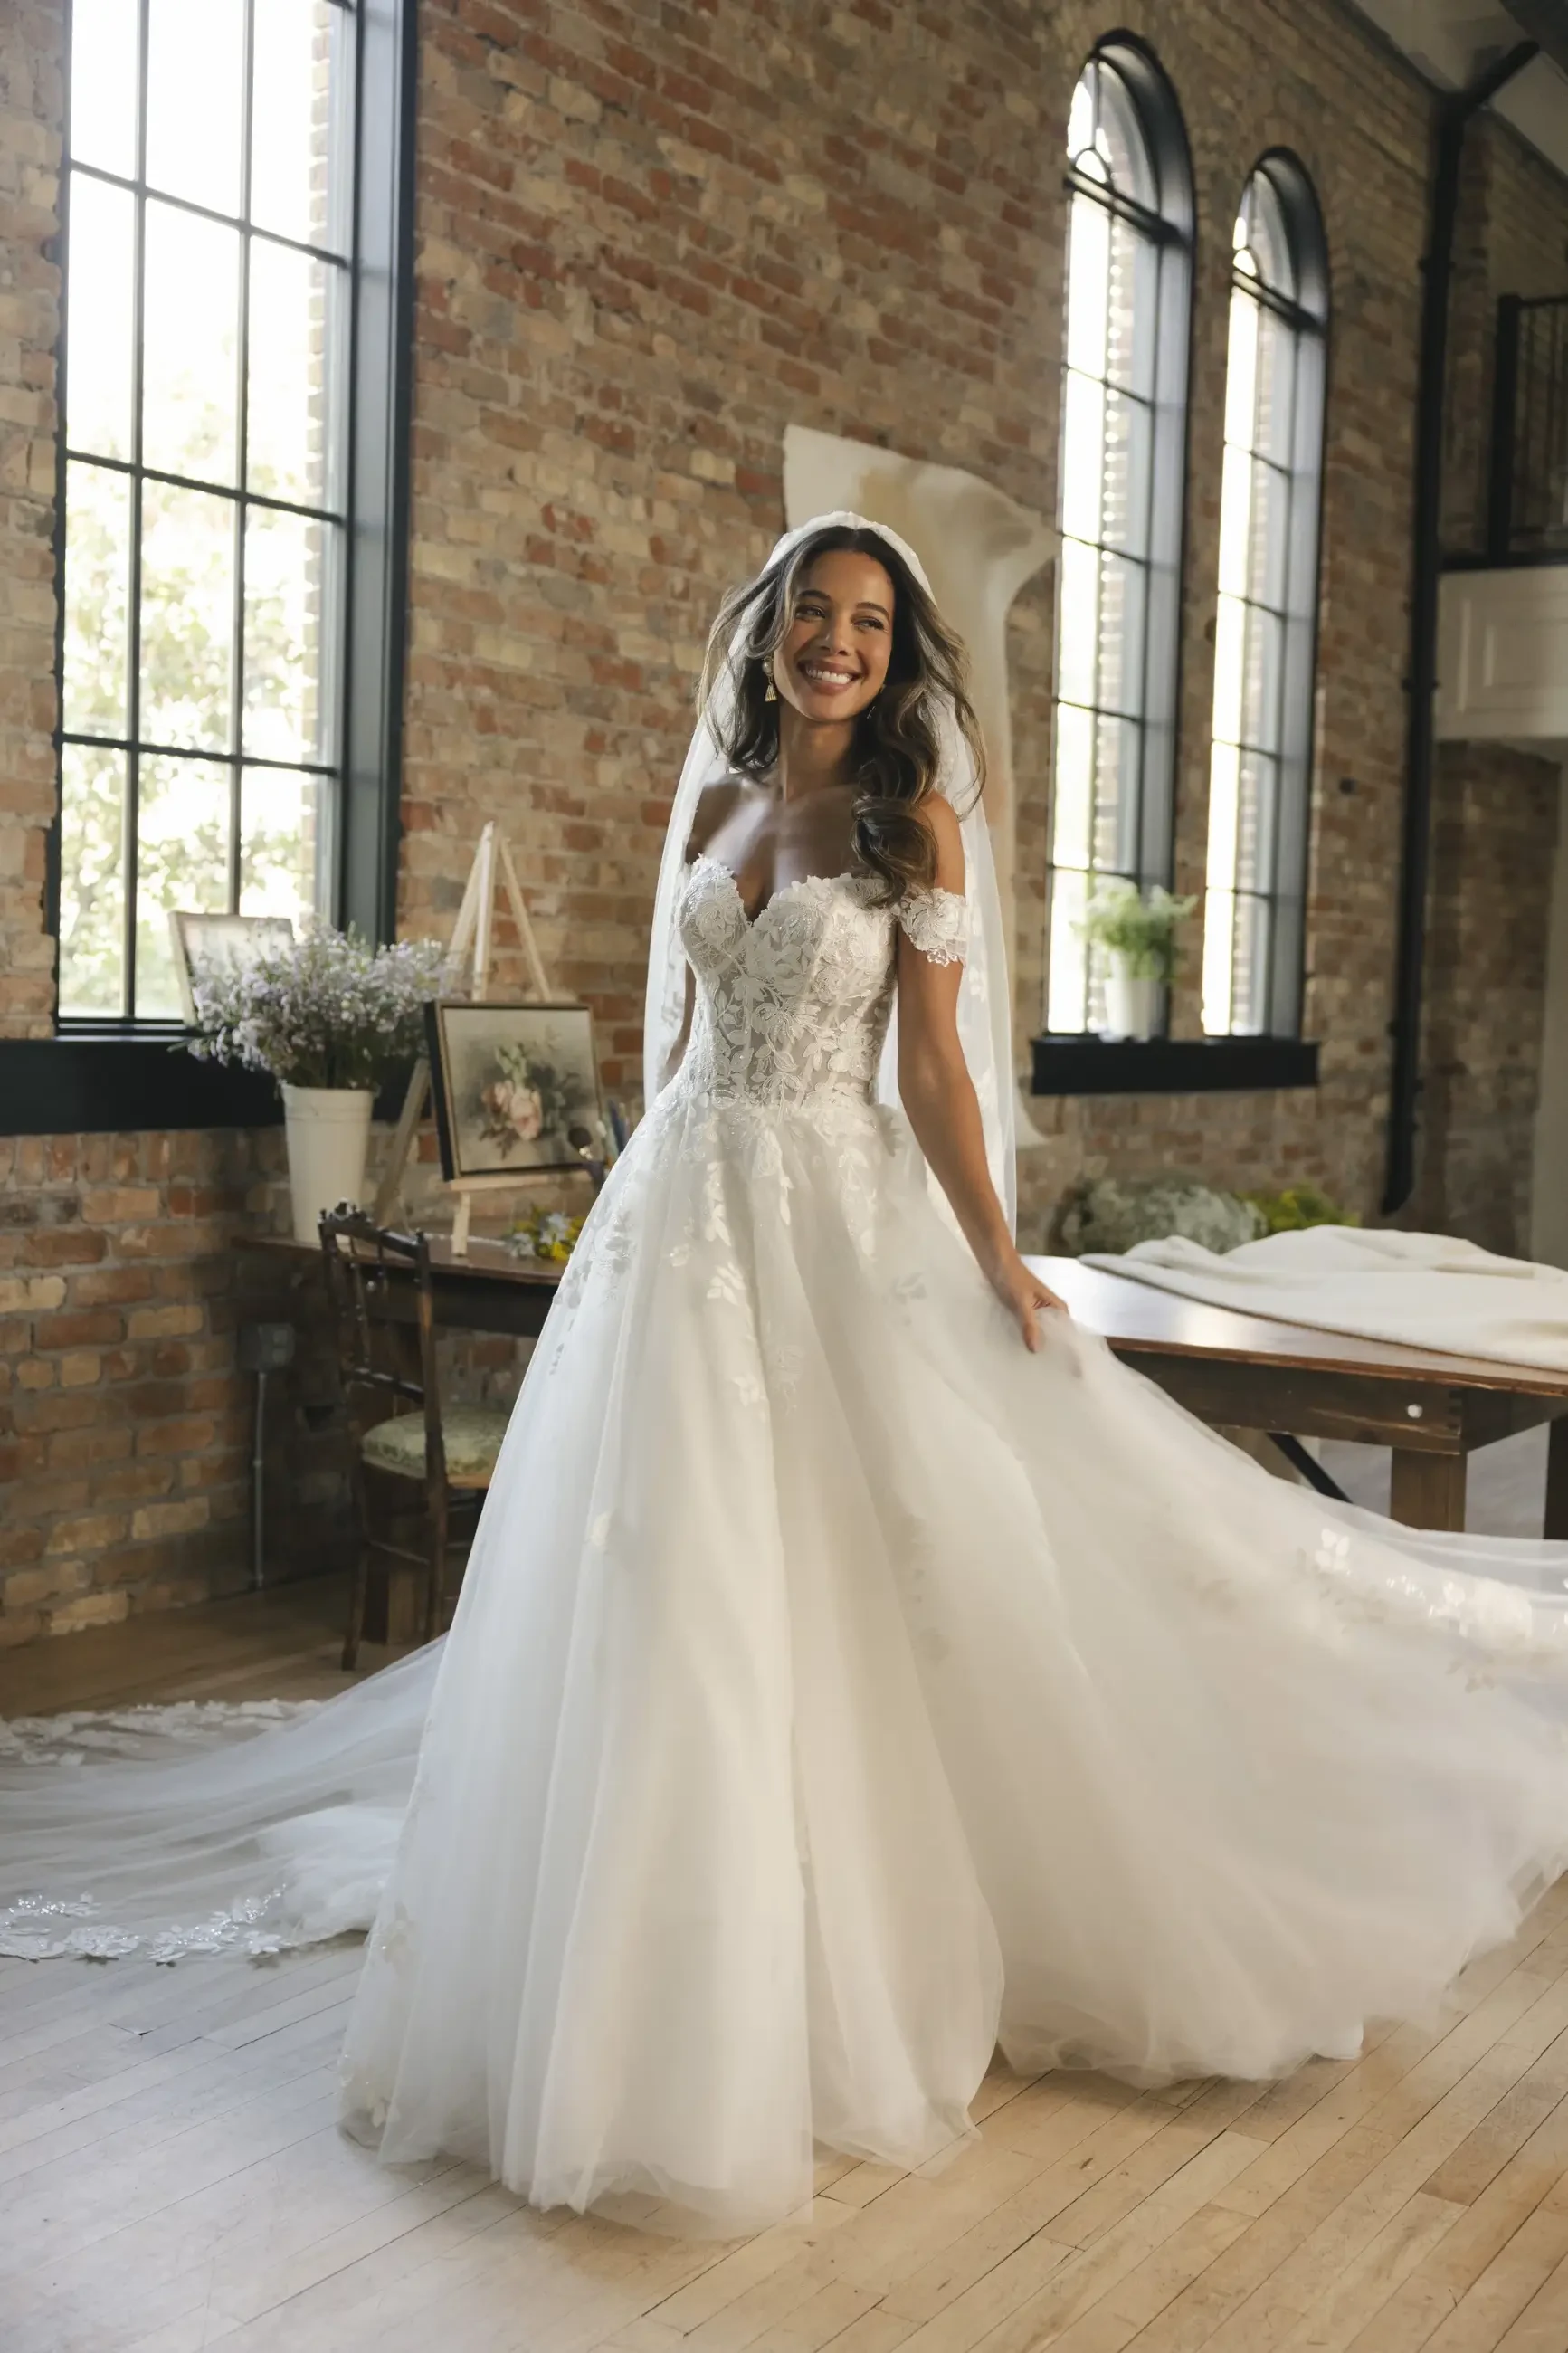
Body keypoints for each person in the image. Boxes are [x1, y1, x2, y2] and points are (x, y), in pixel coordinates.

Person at [7, 514, 1568, 2243]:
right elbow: (674, 1038)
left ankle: (836, 1956)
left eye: (873, 626)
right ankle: (642, 1962)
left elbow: (940, 1074)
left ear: (899, 659)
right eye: (815, 616)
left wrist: (994, 1257)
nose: (840, 644)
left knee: (843, 1568)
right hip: (676, 1219)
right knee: (669, 1582)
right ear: (766, 634)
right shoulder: (719, 799)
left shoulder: (918, 825)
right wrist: (617, 1199)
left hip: (832, 1215)